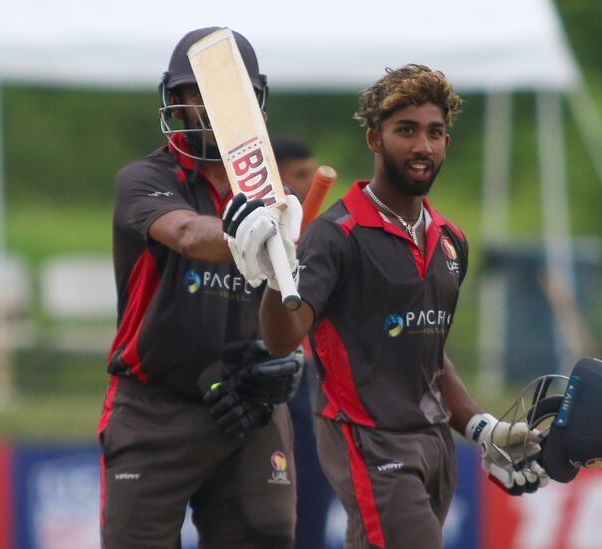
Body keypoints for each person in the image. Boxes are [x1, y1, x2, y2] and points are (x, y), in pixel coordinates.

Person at [224, 65, 550, 549]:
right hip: (369, 442)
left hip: (435, 445)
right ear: (375, 139)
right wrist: (275, 275)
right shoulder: (337, 236)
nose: (423, 146)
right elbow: (282, 339)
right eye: (406, 131)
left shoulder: (451, 243)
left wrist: (482, 428)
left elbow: (426, 352)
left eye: (435, 133)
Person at [97, 27, 303, 549]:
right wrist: (247, 233)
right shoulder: (143, 178)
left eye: (224, 96)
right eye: (197, 94)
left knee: (267, 536)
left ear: (253, 102)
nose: (210, 107)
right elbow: (188, 233)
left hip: (246, 404)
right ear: (177, 100)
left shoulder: (278, 197)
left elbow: (295, 317)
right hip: (154, 406)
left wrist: (282, 365)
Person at [272, 136, 336, 549]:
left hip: (311, 381)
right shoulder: (247, 228)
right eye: (298, 176)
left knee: (314, 502)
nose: (308, 186)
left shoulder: (321, 232)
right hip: (265, 379)